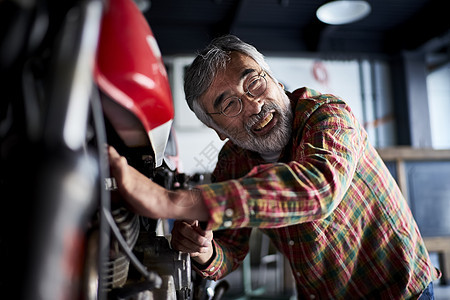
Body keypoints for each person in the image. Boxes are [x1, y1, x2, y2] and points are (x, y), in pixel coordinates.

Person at [108, 35, 440, 299]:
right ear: (218, 131)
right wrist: (206, 251)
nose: (253, 104)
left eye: (254, 83)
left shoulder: (327, 115)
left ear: (275, 80)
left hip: (402, 292)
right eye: (231, 104)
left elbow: (318, 189)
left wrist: (173, 201)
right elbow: (230, 252)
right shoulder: (232, 163)